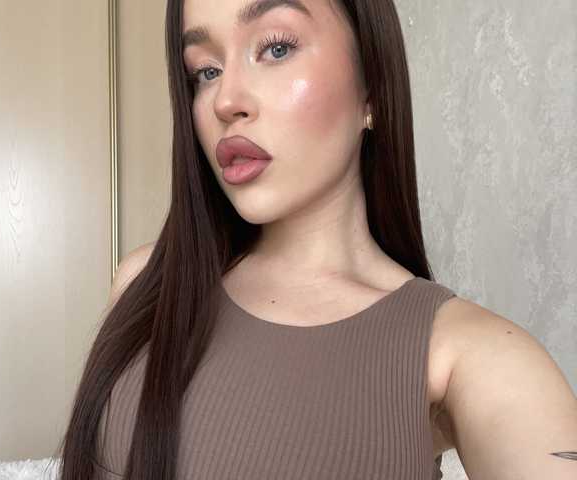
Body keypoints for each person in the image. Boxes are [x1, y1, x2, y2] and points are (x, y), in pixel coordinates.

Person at [54, 1, 577, 479]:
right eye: (205, 71)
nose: (226, 101)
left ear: (371, 89)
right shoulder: (145, 285)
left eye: (276, 48)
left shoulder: (464, 353)